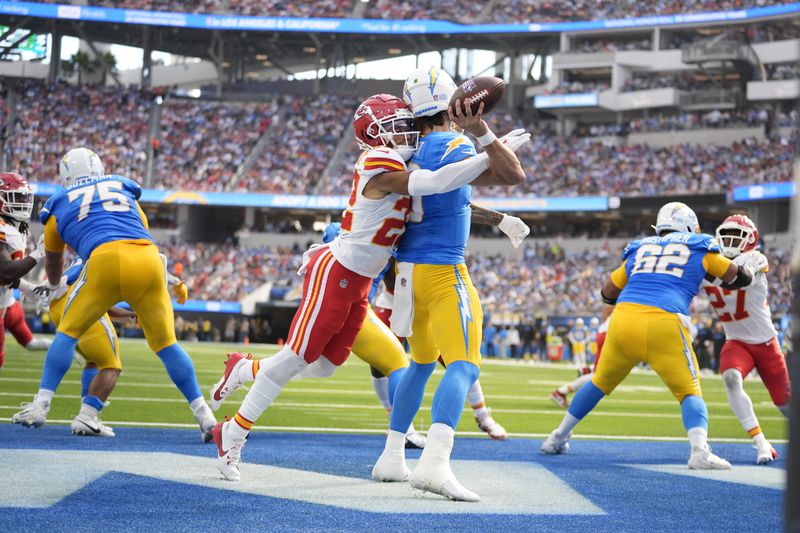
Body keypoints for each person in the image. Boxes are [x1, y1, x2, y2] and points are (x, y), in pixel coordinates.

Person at [208, 93, 530, 482]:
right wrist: (488, 151)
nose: (406, 130)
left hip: (361, 280)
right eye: (395, 126)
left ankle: (244, 369)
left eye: (406, 123)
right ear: (375, 134)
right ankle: (233, 431)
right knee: (294, 358)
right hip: (338, 270)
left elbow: (446, 197)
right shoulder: (377, 161)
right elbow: (432, 181)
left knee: (325, 367)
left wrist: (498, 218)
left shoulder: (403, 159)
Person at [372, 67, 528, 502]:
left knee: (421, 365)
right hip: (443, 272)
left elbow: (451, 193)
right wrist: (481, 130)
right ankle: (435, 464)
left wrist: (496, 218)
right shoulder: (455, 143)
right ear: (450, 102)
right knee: (464, 364)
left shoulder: (408, 151)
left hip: (407, 275)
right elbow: (511, 174)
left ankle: (391, 456)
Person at [11, 147, 216, 441]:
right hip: (147, 261)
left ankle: (41, 405)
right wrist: (170, 279)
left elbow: (54, 262)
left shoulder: (58, 205)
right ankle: (205, 416)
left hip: (103, 261)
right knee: (167, 344)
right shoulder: (121, 186)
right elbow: (142, 235)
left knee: (67, 335)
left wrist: (55, 283)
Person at [541, 202, 755, 470]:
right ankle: (699, 450)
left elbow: (608, 292)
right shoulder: (700, 246)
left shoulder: (640, 248)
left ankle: (556, 437)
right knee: (690, 391)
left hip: (624, 321)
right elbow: (739, 278)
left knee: (597, 383)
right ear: (690, 226)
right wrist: (749, 267)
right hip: (665, 322)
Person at [702, 214, 790, 464]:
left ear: (750, 240)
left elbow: (738, 280)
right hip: (737, 341)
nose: (730, 241)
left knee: (785, 405)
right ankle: (761, 443)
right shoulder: (710, 261)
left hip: (766, 344)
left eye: (736, 236)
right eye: (726, 235)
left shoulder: (755, 257)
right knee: (730, 379)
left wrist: (704, 267)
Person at [0, 172, 48, 369]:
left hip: (6, 303)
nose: (23, 203)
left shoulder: (16, 226)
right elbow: (4, 272)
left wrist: (29, 289)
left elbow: (6, 279)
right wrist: (38, 254)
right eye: (17, 198)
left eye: (24, 197)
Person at [550, 307, 612, 408]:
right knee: (601, 375)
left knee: (602, 373)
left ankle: (588, 369)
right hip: (610, 332)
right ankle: (561, 392)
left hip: (609, 331)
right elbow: (609, 306)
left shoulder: (588, 328)